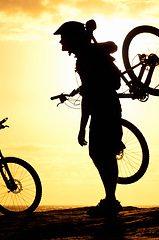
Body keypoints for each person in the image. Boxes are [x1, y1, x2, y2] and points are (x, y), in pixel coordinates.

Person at [54, 21, 124, 217]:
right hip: (105, 107)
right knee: (102, 153)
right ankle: (110, 198)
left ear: (72, 38)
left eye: (63, 38)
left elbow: (89, 95)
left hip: (104, 108)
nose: (60, 42)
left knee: (101, 153)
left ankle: (111, 200)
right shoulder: (86, 56)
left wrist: (82, 128)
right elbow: (88, 93)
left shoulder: (86, 56)